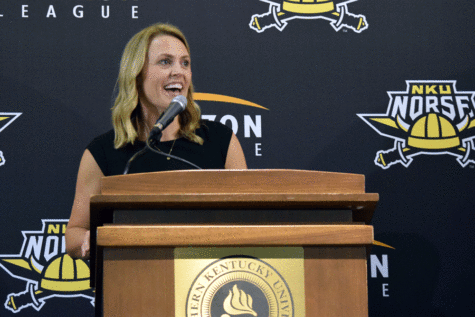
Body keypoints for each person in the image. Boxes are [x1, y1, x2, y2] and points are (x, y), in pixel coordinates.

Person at [65, 23, 247, 259]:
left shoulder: (222, 142)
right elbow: (74, 234)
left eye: (185, 63)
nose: (179, 71)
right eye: (165, 61)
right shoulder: (103, 152)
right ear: (137, 73)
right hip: (132, 284)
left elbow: (247, 221)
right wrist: (89, 240)